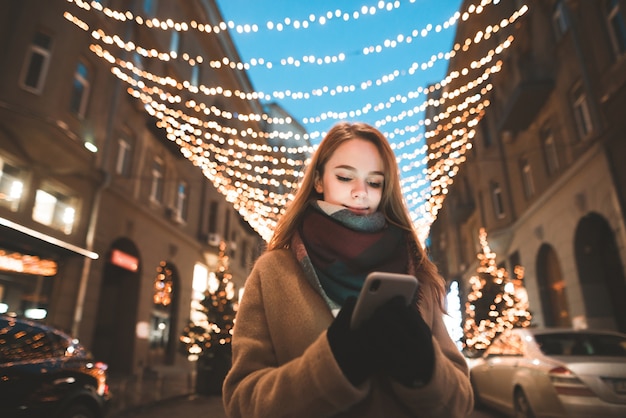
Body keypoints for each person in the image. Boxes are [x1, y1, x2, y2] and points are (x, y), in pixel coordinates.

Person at [222, 122, 474, 417]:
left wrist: (425, 369)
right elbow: (241, 402)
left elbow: (462, 402)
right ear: (318, 181)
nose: (360, 192)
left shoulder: (417, 273)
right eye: (344, 177)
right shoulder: (273, 272)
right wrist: (331, 367)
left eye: (375, 182)